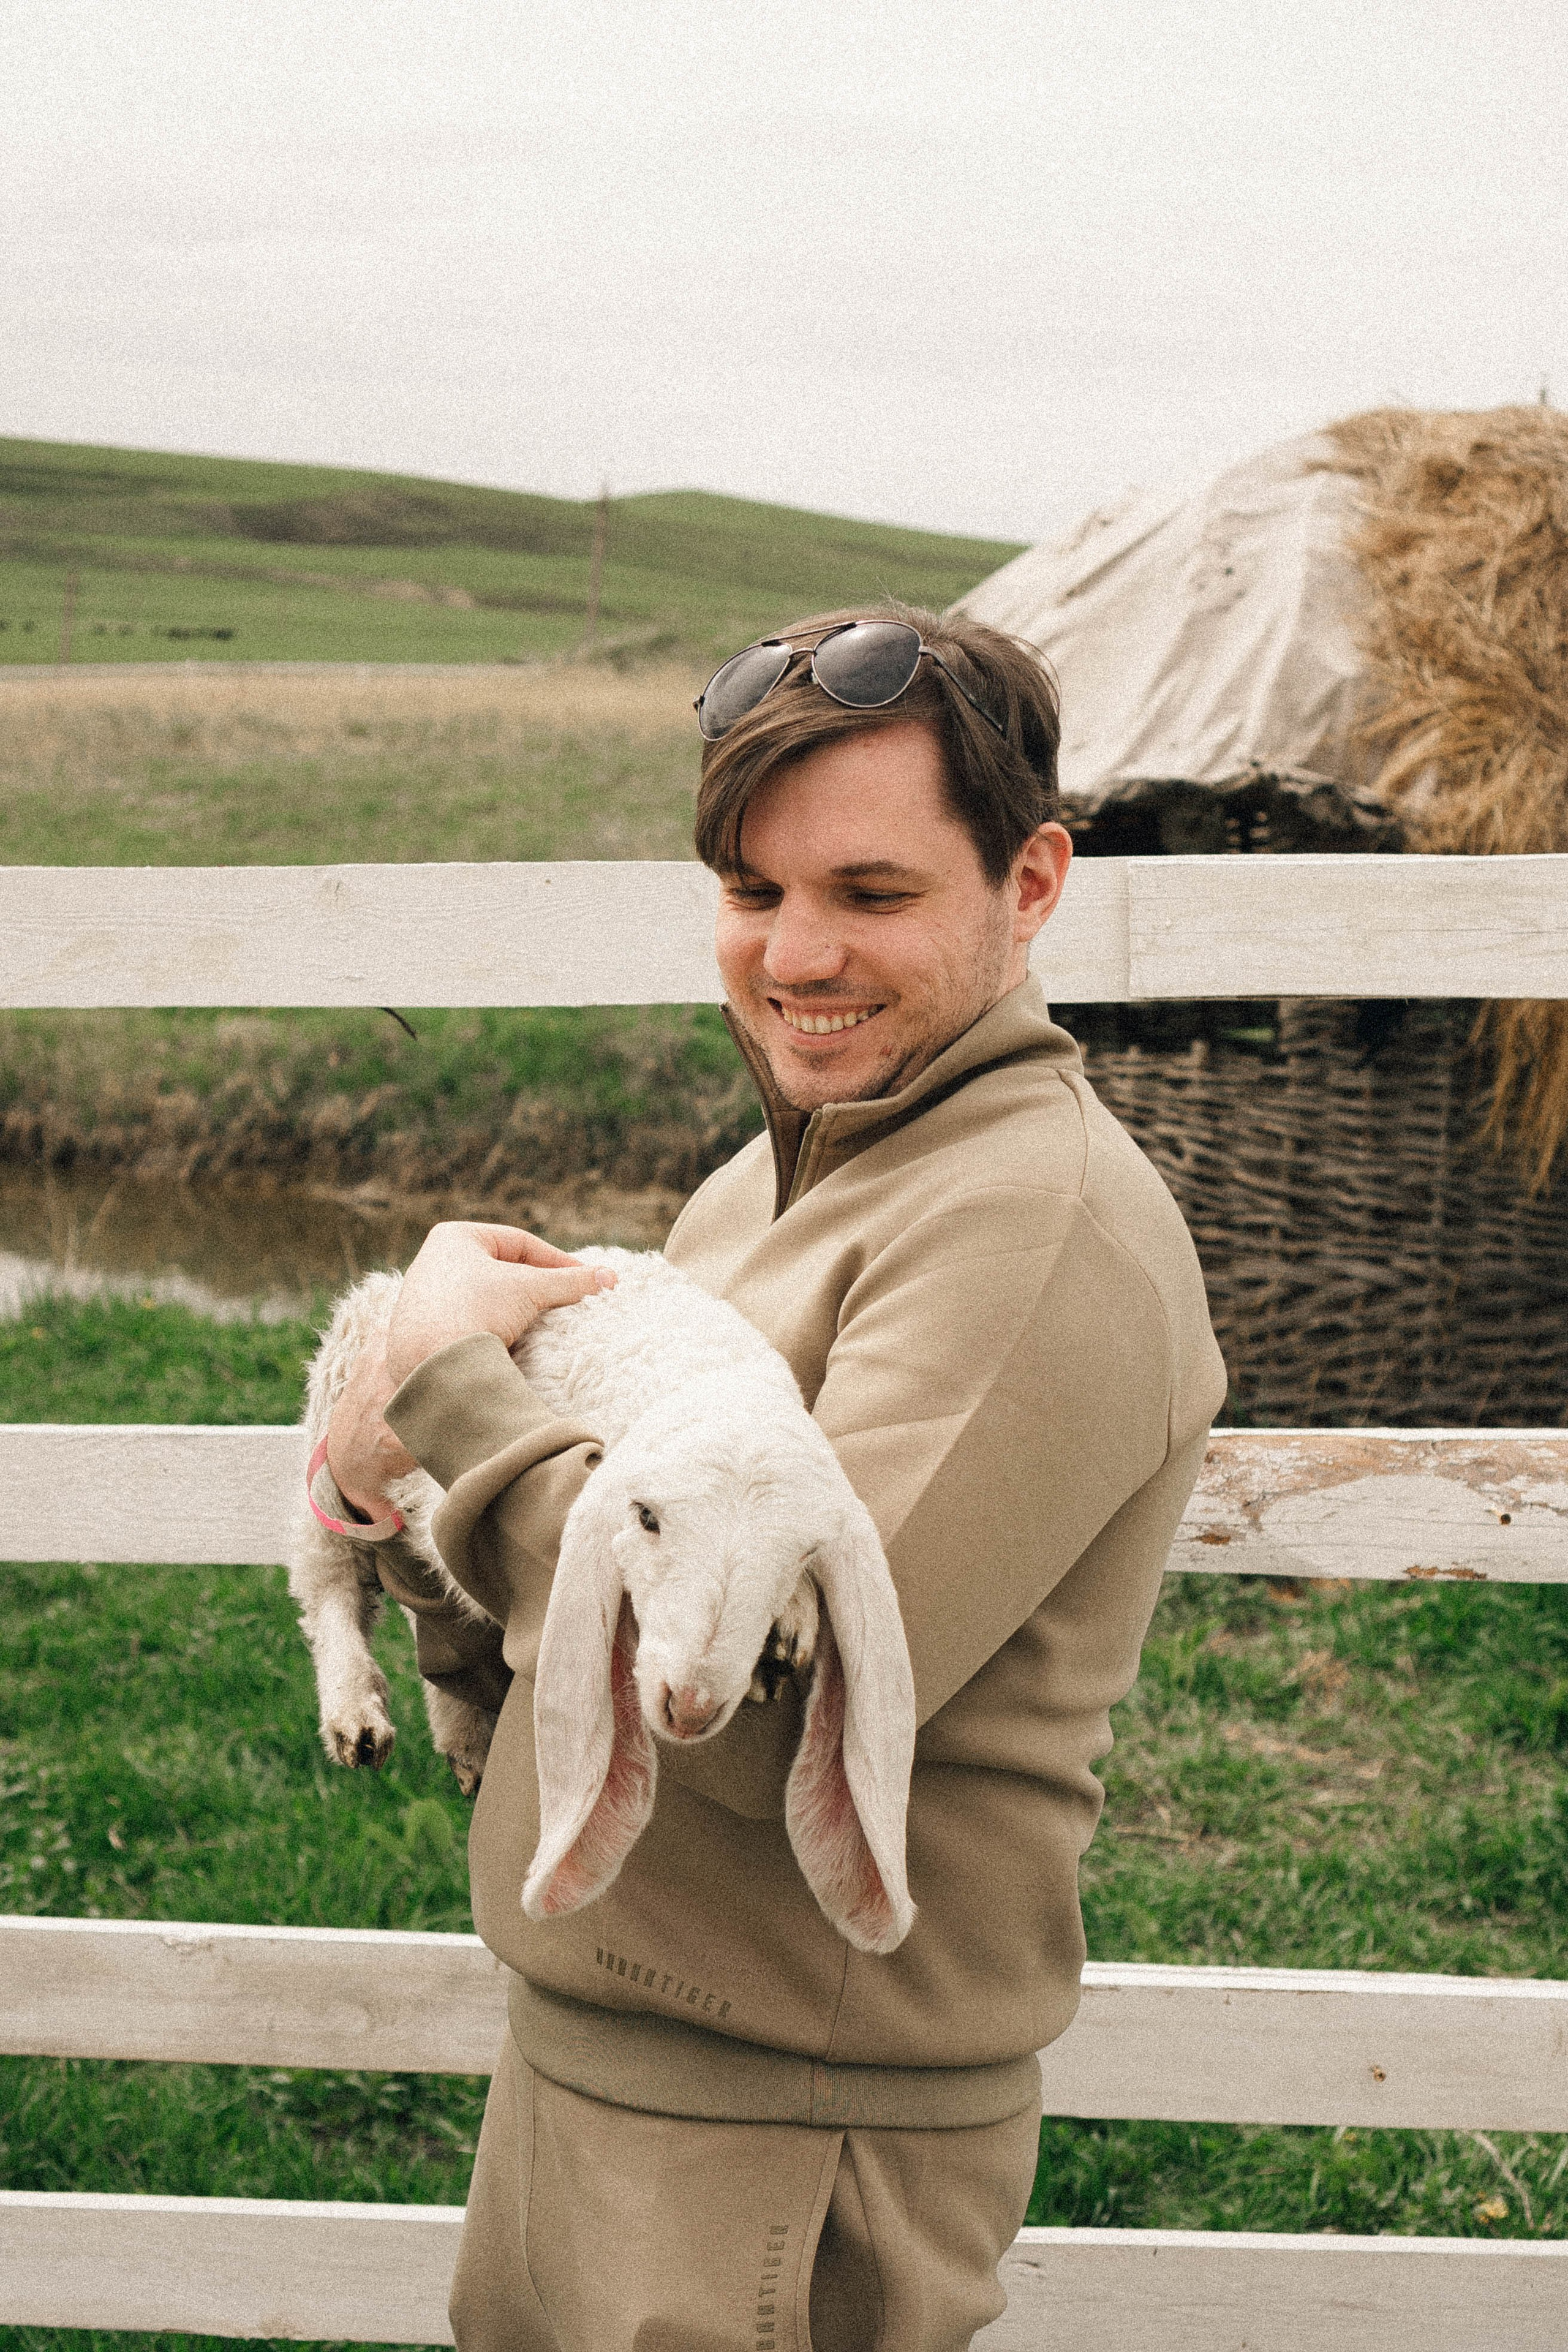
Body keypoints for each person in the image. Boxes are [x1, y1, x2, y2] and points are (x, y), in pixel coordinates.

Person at [323, 607, 1226, 2351]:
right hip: (618, 2053)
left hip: (792, 2126)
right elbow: (602, 1556)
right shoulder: (765, 1186)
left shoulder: (1031, 1225)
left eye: (871, 895)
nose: (794, 954)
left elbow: (747, 1712)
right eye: (753, 891)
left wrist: (448, 1394)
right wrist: (431, 1565)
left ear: (1033, 884)